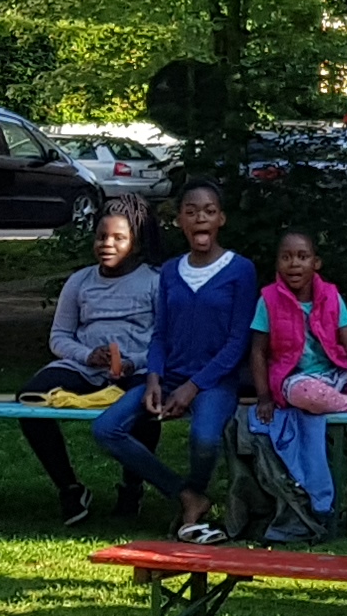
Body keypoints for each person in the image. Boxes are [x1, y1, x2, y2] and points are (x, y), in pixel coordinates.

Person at [100, 180, 256, 542]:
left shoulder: (240, 270)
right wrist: (154, 378)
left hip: (214, 381)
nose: (200, 218)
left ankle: (193, 500)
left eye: (209, 211)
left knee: (204, 440)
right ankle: (188, 496)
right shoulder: (170, 271)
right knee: (106, 429)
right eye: (191, 212)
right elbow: (161, 334)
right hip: (168, 376)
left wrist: (192, 387)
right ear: (179, 222)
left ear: (221, 220)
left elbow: (237, 343)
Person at [246, 226, 347, 542]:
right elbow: (258, 352)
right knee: (307, 394)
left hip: (336, 371)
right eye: (286, 258)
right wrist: (263, 397)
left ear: (316, 262)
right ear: (277, 264)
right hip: (295, 380)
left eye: (302, 257)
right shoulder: (268, 300)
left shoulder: (330, 295)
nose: (294, 264)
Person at [21, 205, 158, 526]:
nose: (107, 244)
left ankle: (132, 485)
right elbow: (59, 337)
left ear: (135, 244)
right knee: (30, 400)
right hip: (84, 369)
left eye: (118, 238)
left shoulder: (155, 282)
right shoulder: (80, 281)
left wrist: (131, 361)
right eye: (101, 237)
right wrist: (85, 355)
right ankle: (69, 488)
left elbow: (163, 343)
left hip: (134, 370)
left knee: (147, 407)